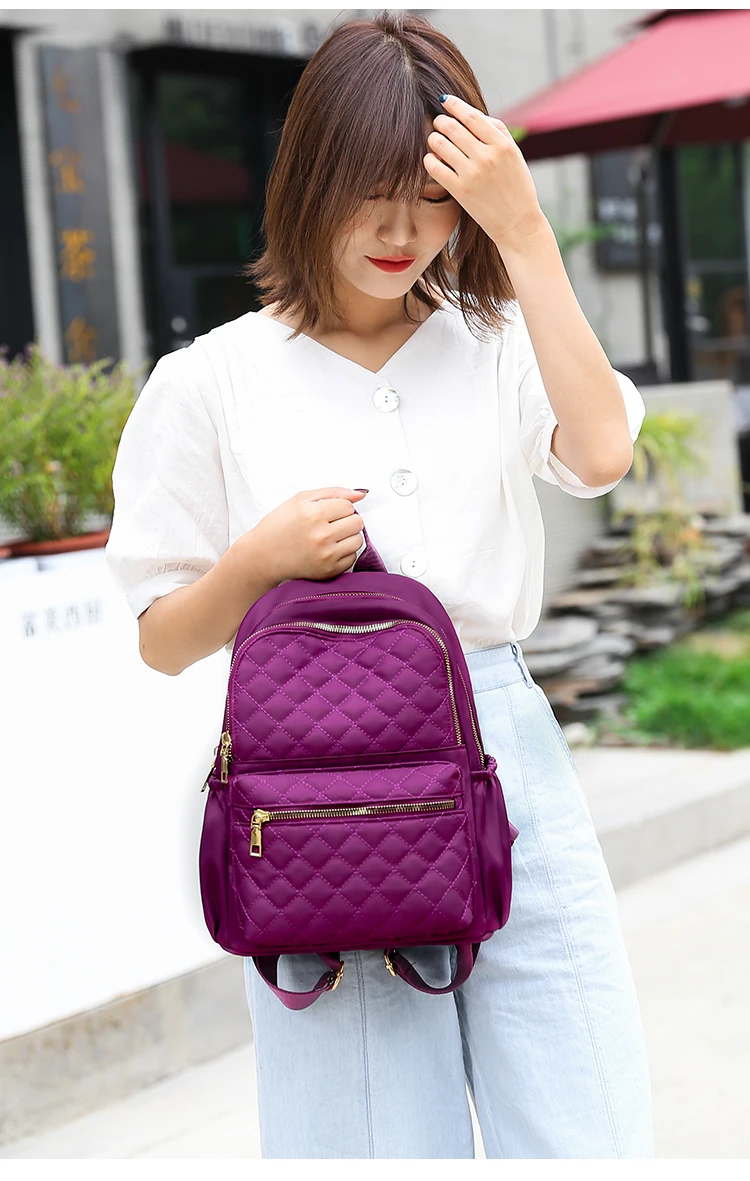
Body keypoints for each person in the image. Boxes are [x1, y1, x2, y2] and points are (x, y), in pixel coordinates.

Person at [105, 11, 654, 1160]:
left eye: (435, 197)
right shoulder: (212, 379)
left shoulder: (498, 339)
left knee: (586, 1127)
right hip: (319, 778)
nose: (403, 231)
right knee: (367, 1145)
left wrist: (524, 229)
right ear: (309, 179)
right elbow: (162, 637)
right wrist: (254, 564)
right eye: (369, 193)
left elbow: (602, 451)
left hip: (502, 747)